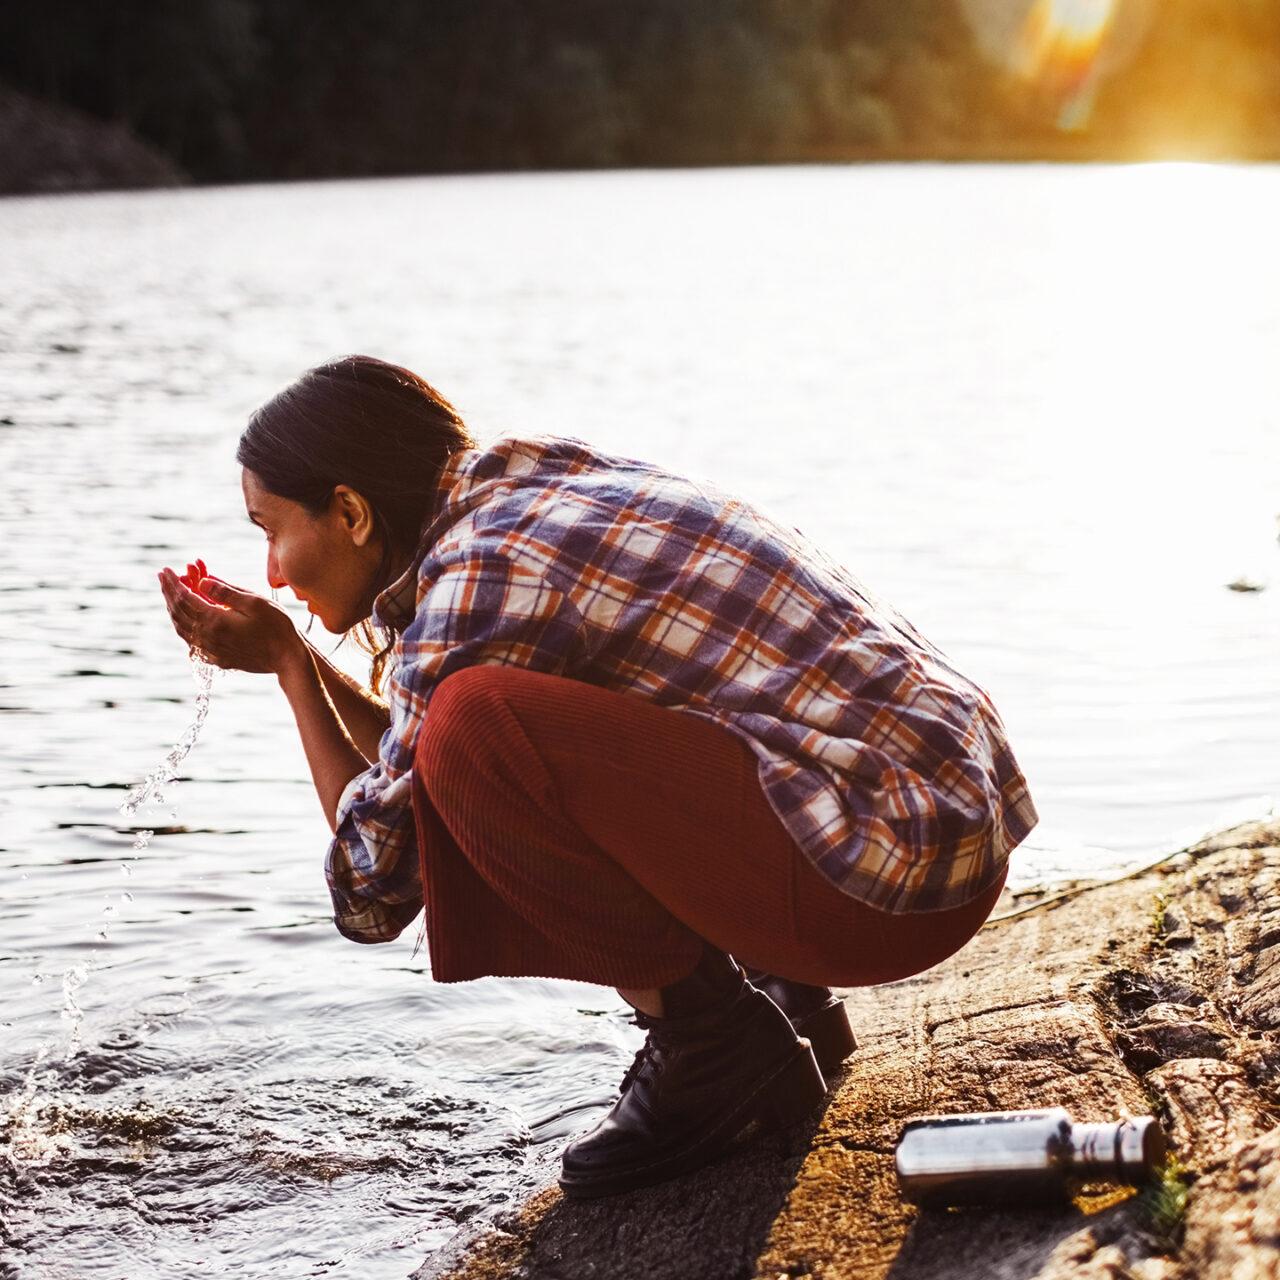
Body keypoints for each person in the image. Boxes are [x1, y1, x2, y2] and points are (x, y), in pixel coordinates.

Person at [158, 354, 1038, 1200]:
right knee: (480, 727)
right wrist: (301, 660)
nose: (271, 570)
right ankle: (784, 999)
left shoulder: (484, 567)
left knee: (475, 721)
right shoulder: (541, 486)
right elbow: (419, 766)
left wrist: (287, 668)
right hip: (936, 831)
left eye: (271, 532)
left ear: (349, 511)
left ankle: (711, 1045)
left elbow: (371, 888)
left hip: (884, 890)